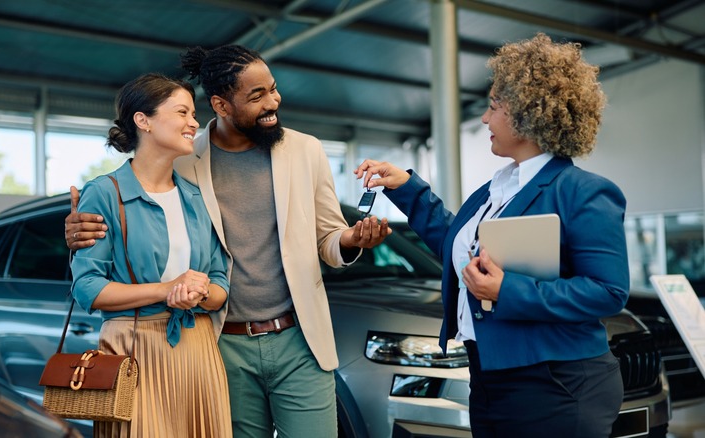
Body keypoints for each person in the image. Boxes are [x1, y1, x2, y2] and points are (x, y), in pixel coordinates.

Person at [65, 45, 390, 438]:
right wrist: (75, 228)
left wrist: (352, 238)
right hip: (221, 344)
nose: (273, 101)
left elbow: (328, 238)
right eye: (257, 95)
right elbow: (131, 205)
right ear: (221, 104)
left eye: (273, 89)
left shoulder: (306, 151)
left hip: (299, 339)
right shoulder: (183, 159)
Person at [354, 33, 628, 438]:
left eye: (494, 107)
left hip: (556, 384)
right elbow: (457, 247)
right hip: (489, 377)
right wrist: (405, 187)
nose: (484, 119)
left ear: (527, 114)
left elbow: (608, 291)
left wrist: (507, 290)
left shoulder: (584, 191)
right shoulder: (496, 189)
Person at [70, 73, 232, 437]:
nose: (194, 123)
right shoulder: (104, 193)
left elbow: (220, 282)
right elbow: (89, 289)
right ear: (143, 121)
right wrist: (167, 290)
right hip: (132, 350)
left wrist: (200, 292)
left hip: (198, 349)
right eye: (182, 113)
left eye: (194, 113)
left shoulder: (195, 196)